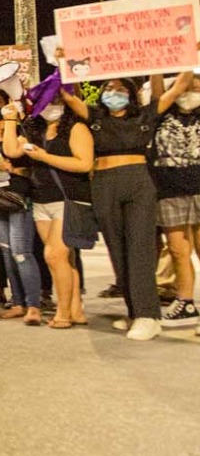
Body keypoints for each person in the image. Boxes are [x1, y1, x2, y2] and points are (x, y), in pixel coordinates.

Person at [61, 71, 192, 340]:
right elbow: (68, 96)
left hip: (138, 184)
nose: (114, 92)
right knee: (117, 250)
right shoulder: (96, 116)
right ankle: (134, 311)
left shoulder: (144, 115)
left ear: (132, 94)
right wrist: (66, 65)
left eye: (121, 89)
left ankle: (149, 315)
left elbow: (178, 88)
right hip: (104, 185)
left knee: (140, 248)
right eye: (109, 87)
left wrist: (188, 58)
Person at [3, 94, 92, 329]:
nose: (51, 107)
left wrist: (44, 157)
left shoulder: (76, 128)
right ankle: (76, 309)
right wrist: (11, 119)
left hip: (69, 198)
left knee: (54, 255)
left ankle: (63, 312)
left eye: (56, 101)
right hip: (41, 200)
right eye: (46, 102)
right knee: (65, 258)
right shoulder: (36, 130)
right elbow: (11, 150)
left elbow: (84, 163)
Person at [0, 87, 43, 325]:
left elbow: (31, 166)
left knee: (21, 252)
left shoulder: (19, 130)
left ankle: (34, 305)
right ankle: (18, 302)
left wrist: (11, 169)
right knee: (6, 253)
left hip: (18, 198)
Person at [150, 74, 200, 331]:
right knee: (179, 250)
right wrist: (156, 65)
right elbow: (161, 87)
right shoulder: (161, 112)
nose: (191, 90)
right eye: (188, 86)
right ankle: (186, 302)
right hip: (169, 189)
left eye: (197, 87)